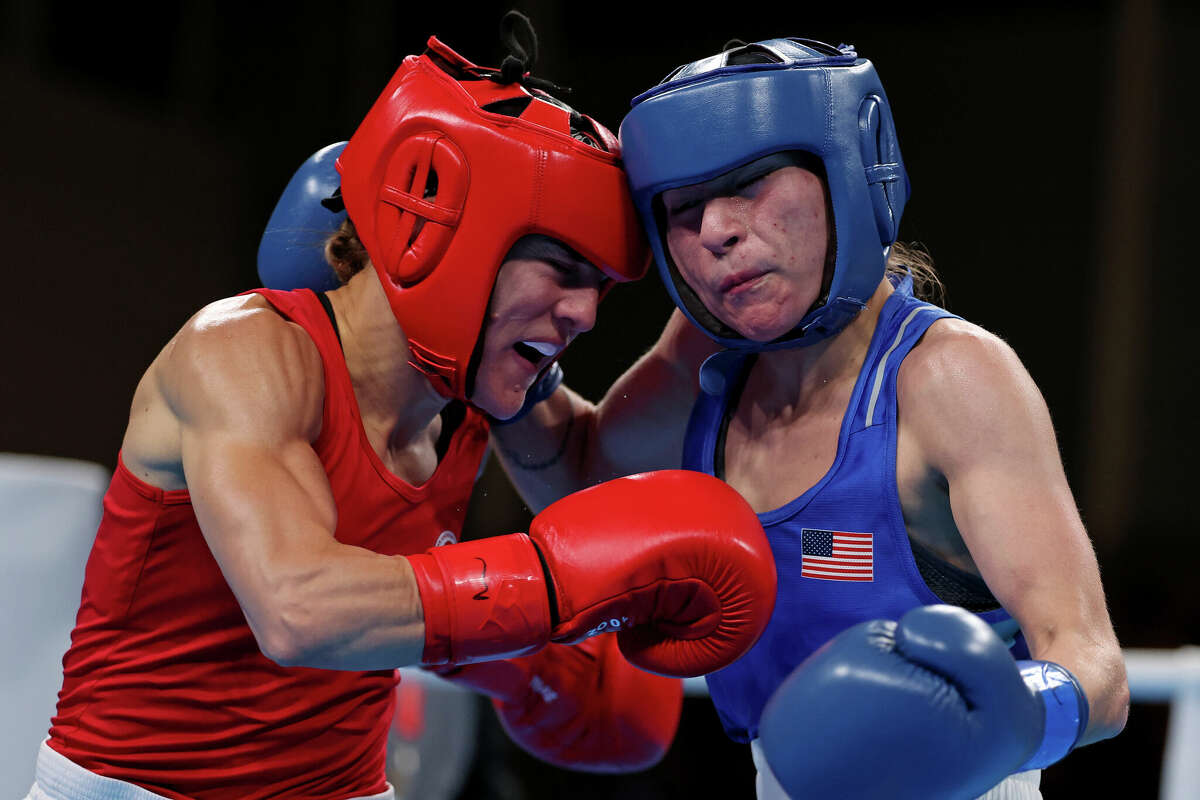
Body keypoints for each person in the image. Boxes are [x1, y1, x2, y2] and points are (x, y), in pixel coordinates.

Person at [27, 21, 779, 800]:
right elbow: (296, 610)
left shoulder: (477, 391)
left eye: (601, 287)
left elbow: (594, 484)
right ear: (447, 233)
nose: (584, 314)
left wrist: (712, 316)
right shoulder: (243, 354)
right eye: (561, 267)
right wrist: (546, 591)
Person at [490, 37, 1130, 799]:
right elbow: (580, 480)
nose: (717, 231)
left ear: (847, 174)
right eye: (684, 207)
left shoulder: (949, 378)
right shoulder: (706, 363)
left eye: (752, 182)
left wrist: (1010, 718)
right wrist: (501, 352)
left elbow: (1094, 665)